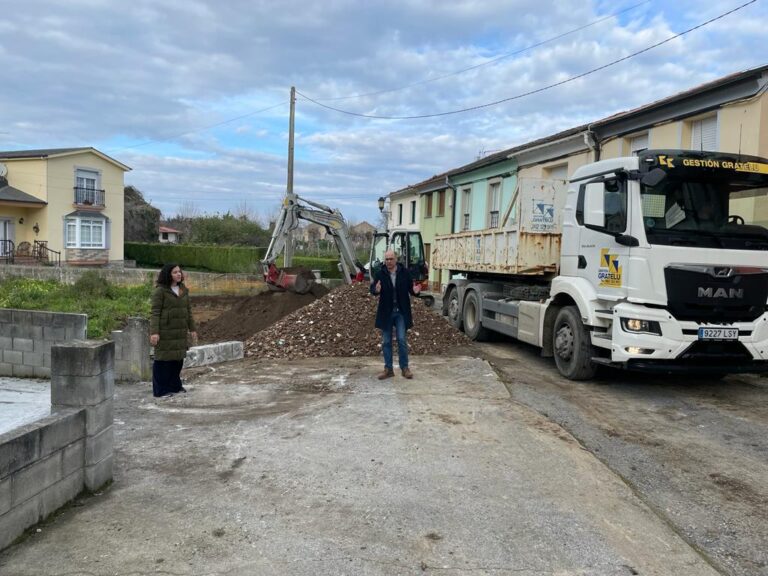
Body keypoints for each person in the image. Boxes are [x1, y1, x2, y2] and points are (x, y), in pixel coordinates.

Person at [370, 249, 420, 380]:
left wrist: (415, 291)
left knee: (402, 339)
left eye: (391, 259)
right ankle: (388, 369)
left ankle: (405, 368)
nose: (388, 262)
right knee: (386, 342)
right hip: (386, 312)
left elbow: (411, 289)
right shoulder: (380, 273)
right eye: (386, 259)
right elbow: (373, 288)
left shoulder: (404, 273)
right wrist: (376, 289)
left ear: (396, 259)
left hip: (400, 312)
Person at [150, 263, 197, 397]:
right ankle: (160, 390)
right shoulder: (160, 291)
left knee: (177, 361)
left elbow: (188, 311)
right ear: (168, 274)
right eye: (175, 272)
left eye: (179, 272)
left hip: (180, 332)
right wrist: (154, 332)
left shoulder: (183, 290)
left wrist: (192, 328)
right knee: (163, 362)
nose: (178, 274)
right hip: (165, 332)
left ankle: (175, 386)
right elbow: (155, 312)